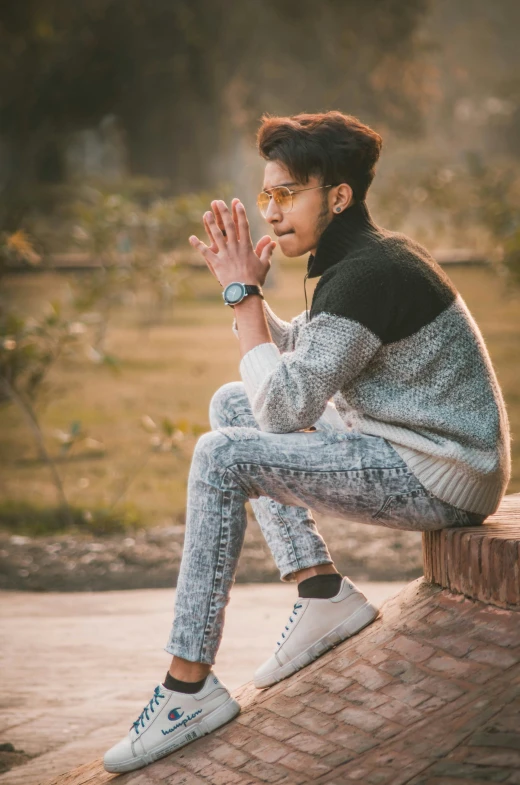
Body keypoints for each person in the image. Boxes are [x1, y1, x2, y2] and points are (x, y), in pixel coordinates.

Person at [103, 111, 511, 773]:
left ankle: (187, 688)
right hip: (417, 446)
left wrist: (242, 298)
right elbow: (314, 357)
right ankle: (322, 593)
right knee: (232, 404)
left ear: (339, 195)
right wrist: (251, 298)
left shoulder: (366, 275)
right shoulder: (365, 260)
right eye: (266, 194)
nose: (271, 211)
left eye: (287, 193)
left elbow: (288, 401)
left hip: (439, 473)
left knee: (222, 450)